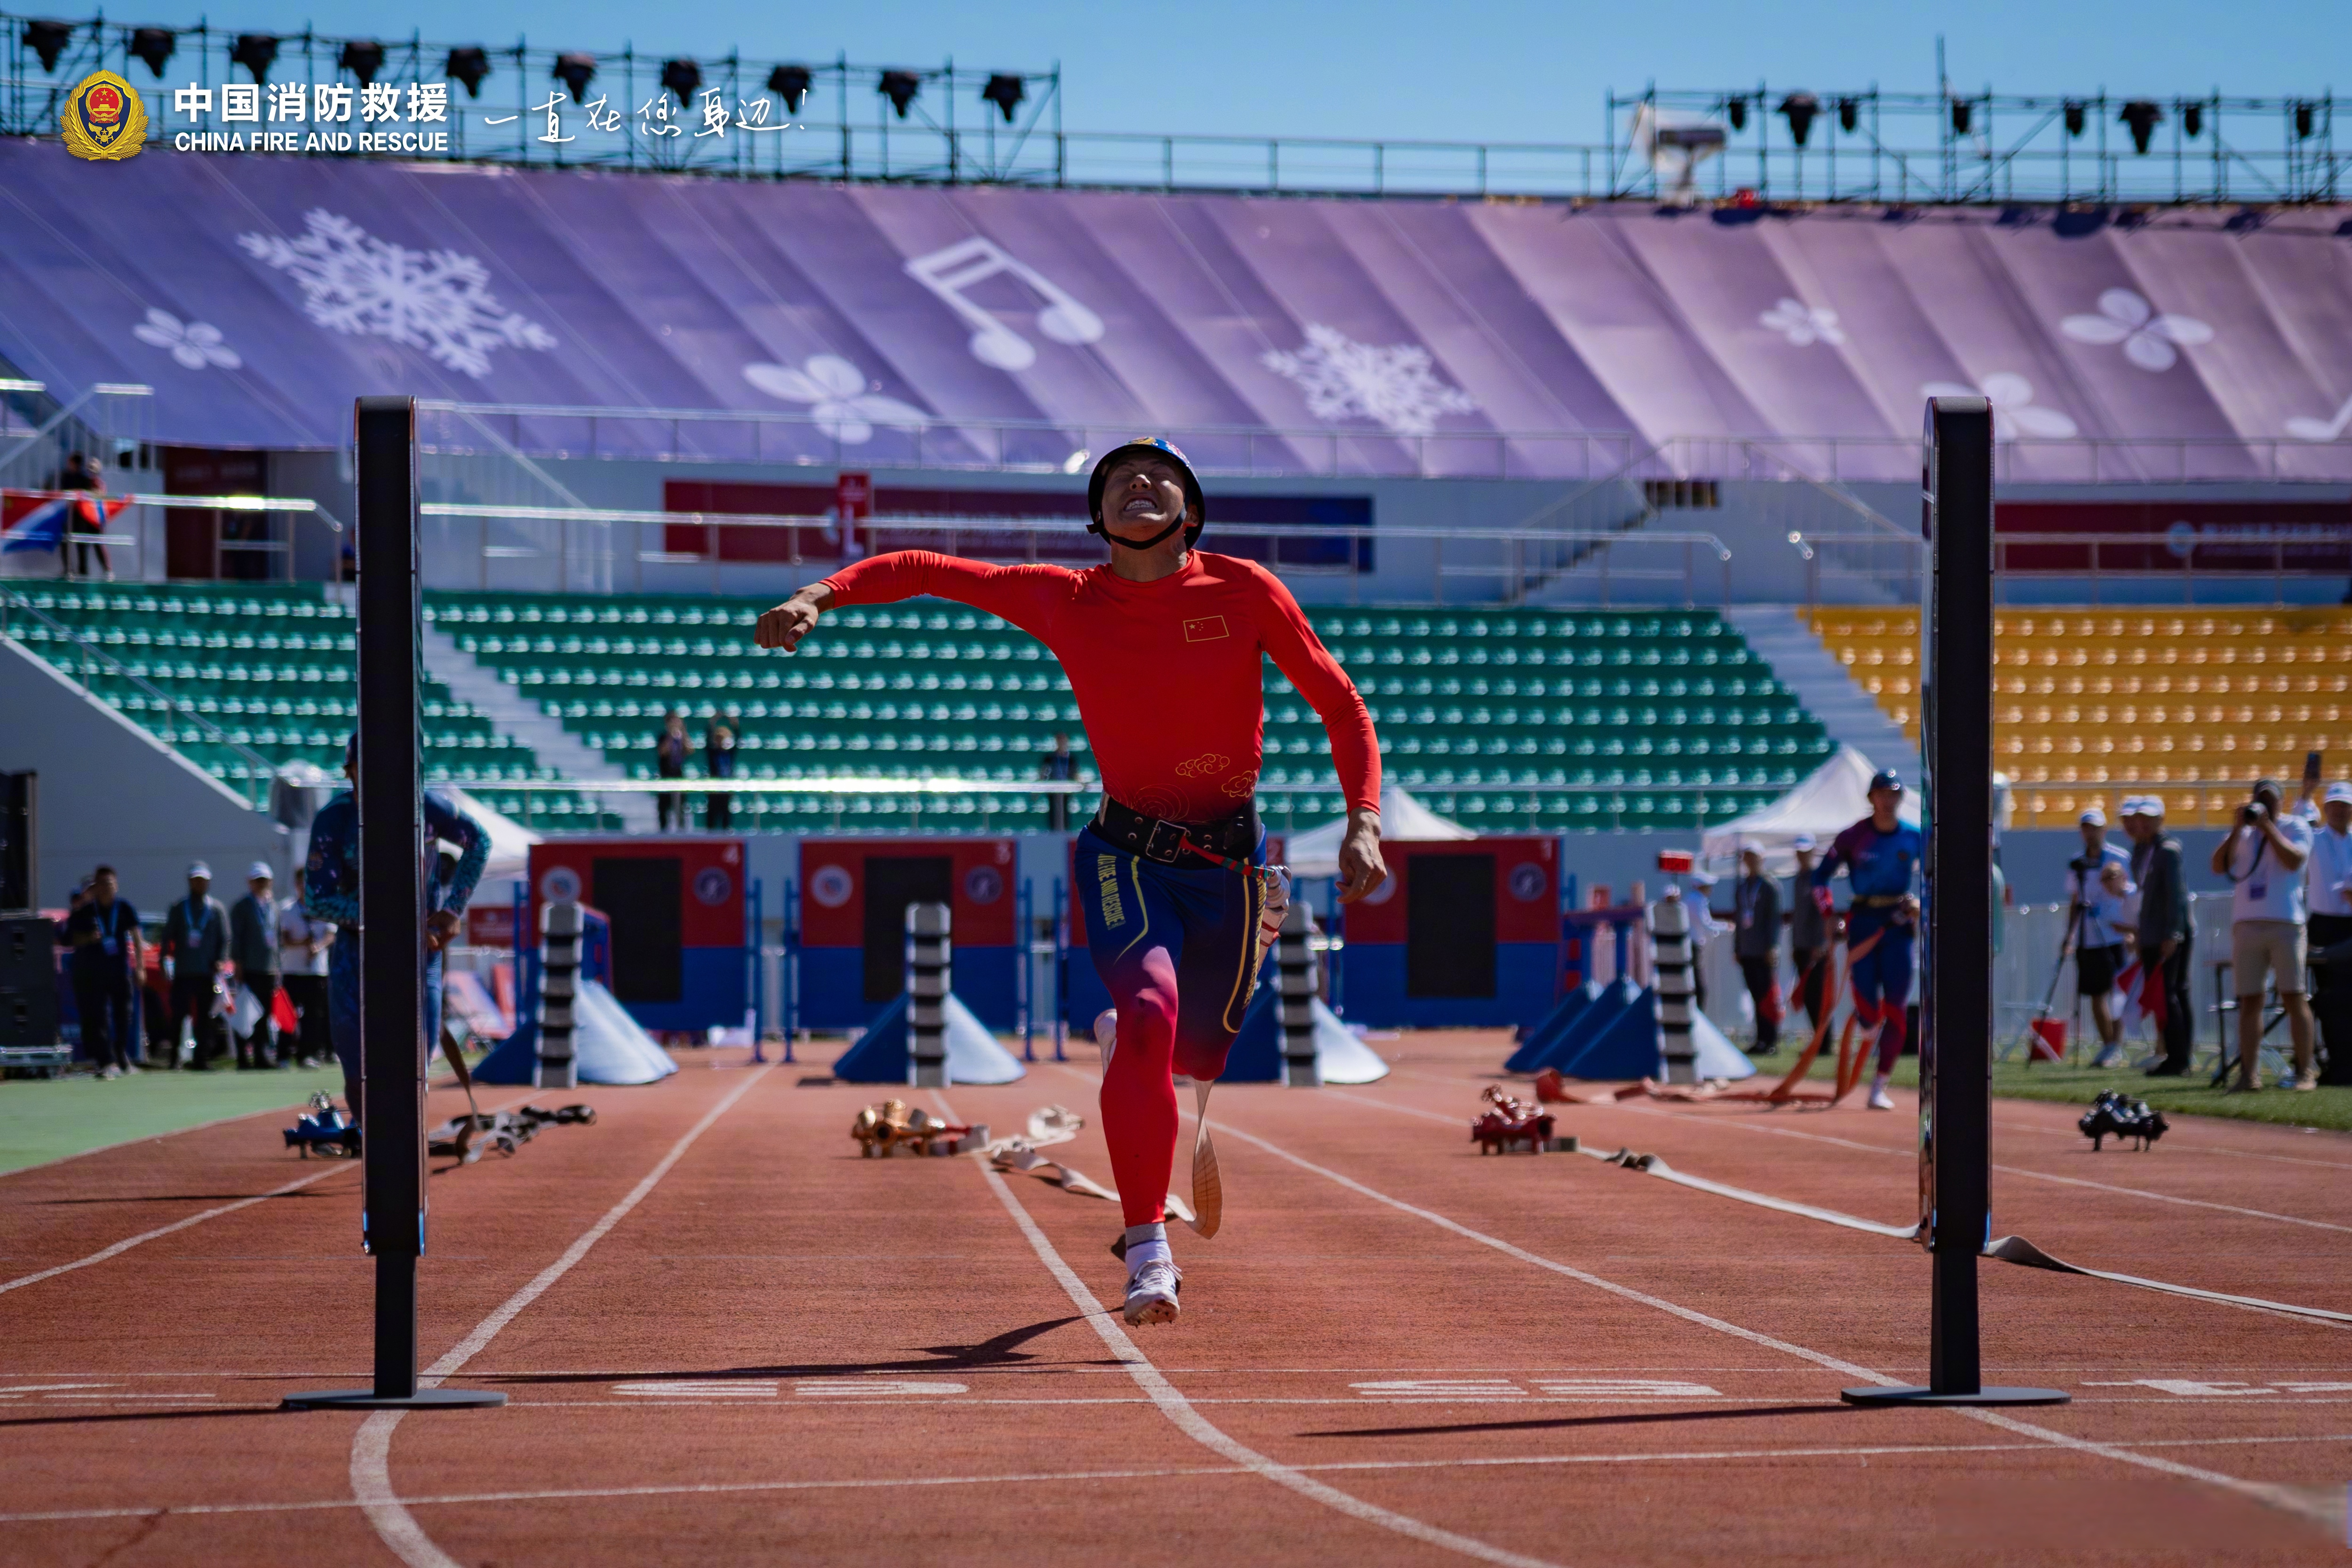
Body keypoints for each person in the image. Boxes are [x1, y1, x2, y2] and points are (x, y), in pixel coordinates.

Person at [755, 437, 1385, 1328]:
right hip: (1125, 855)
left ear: (1191, 512)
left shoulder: (1244, 588)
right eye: (1119, 478)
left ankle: (1130, 1039)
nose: (1140, 483)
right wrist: (818, 593)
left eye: (1160, 476)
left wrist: (1364, 818)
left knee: (1195, 1058)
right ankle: (1149, 1249)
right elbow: (927, 569)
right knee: (1152, 1016)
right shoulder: (1067, 597)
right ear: (1098, 516)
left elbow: (1341, 704)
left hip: (1233, 866)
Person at [305, 736, 490, 1123]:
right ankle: (367, 1134)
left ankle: (403, 1137)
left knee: (416, 1064)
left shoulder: (427, 806)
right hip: (356, 952)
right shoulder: (333, 820)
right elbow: (317, 899)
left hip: (420, 951)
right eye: (365, 768)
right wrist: (387, 921)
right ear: (350, 773)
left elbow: (479, 841)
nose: (377, 777)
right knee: (357, 1069)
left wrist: (453, 908)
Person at [1810, 771, 1923, 1111]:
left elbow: (1939, 875)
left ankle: (1879, 1085)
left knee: (1897, 1007)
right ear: (1871, 798)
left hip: (1898, 926)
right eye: (1882, 794)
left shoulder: (1915, 836)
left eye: (1894, 794)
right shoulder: (1853, 836)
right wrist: (1828, 914)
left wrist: (1921, 902)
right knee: (1868, 1010)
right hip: (1863, 924)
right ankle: (1868, 1031)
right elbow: (1819, 877)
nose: (1888, 801)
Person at [2209, 777, 2316, 1092]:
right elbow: (2218, 867)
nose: (2264, 804)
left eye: (2270, 799)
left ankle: (2305, 1072)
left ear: (2281, 801)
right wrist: (2236, 829)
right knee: (2250, 1000)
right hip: (2247, 923)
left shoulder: (2295, 826)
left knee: (2294, 996)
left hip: (2285, 922)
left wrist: (2269, 827)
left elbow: (2295, 860)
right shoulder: (2243, 833)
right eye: (2260, 798)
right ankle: (2249, 1075)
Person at [2122, 796, 2195, 1077]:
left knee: (2172, 994)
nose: (2142, 824)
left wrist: (2173, 933)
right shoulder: (2142, 850)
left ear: (2161, 820)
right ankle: (2174, 1056)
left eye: (2149, 819)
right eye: (2139, 818)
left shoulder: (2168, 850)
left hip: (2168, 934)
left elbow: (2177, 894)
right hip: (2152, 934)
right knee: (2166, 996)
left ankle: (2179, 1059)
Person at [2065, 808, 2135, 1069]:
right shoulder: (2077, 863)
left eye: (2095, 828)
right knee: (2096, 995)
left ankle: (2116, 1045)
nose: (2090, 833)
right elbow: (2074, 899)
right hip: (2088, 936)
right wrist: (2069, 935)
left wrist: (2131, 929)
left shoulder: (2119, 857)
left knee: (2118, 993)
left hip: (2115, 933)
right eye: (2086, 828)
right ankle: (2108, 1045)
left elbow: (2130, 892)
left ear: (2104, 830)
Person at [64, 866, 141, 1077]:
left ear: (116, 886)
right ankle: (106, 1061)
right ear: (96, 887)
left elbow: (136, 936)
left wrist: (140, 967)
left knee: (124, 1014)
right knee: (99, 1017)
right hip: (95, 974)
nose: (106, 888)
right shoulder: (86, 912)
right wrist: (89, 938)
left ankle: (121, 1054)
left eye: (110, 884)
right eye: (102, 884)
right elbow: (70, 939)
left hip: (120, 971)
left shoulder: (124, 908)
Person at [157, 861, 230, 1070]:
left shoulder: (216, 909)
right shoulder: (179, 907)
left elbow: (225, 939)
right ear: (190, 882)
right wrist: (163, 960)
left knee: (205, 1017)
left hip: (207, 972)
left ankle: (201, 1059)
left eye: (203, 881)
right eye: (196, 880)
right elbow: (167, 937)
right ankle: (174, 1058)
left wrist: (221, 960)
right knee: (178, 1016)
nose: (199, 884)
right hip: (184, 971)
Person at [2304, 780, 2352, 1085]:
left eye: (2344, 805)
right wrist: (2306, 793)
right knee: (2330, 998)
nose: (2339, 810)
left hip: (2348, 925)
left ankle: (2343, 1064)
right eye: (2334, 805)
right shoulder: (2314, 838)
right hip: (2324, 924)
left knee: (2344, 999)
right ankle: (2336, 1062)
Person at [277, 866, 334, 1069]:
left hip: (316, 971)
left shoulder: (324, 907)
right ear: (297, 885)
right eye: (302, 883)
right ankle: (283, 1055)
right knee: (287, 1014)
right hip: (293, 970)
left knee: (313, 1015)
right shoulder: (287, 909)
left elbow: (331, 934)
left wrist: (318, 946)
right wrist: (302, 943)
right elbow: (284, 939)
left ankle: (308, 1054)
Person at [227, 861, 282, 1070]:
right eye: (258, 880)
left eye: (265, 880)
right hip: (249, 968)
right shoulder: (242, 907)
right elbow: (237, 938)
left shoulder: (273, 906)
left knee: (264, 1014)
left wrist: (278, 967)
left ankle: (261, 1055)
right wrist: (238, 964)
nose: (262, 884)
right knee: (245, 1012)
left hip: (268, 968)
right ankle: (243, 1057)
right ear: (250, 882)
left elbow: (277, 939)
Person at [1730, 844, 1783, 1054]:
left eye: (1754, 858)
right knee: (1755, 996)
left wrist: (1772, 946)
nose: (1750, 862)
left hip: (1763, 950)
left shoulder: (1769, 887)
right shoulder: (1742, 887)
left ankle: (1770, 1040)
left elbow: (1774, 920)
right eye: (1747, 858)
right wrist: (1737, 947)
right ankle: (1760, 1038)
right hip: (1747, 950)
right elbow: (1738, 919)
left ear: (1761, 859)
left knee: (1766, 996)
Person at [1787, 832, 1830, 1037]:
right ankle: (1818, 1036)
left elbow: (1824, 912)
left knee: (1818, 994)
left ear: (1813, 853)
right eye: (1799, 852)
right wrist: (1795, 944)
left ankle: (1824, 1039)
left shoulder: (1818, 879)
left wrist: (1821, 943)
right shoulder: (1798, 880)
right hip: (1801, 945)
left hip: (1815, 947)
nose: (1802, 856)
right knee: (1808, 995)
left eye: (1806, 852)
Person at [57, 451, 110, 580]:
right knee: (66, 541)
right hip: (72, 516)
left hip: (87, 518)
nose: (92, 474)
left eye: (94, 471)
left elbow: (96, 497)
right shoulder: (68, 477)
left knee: (87, 544)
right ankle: (69, 570)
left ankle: (94, 571)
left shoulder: (91, 482)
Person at [654, 710, 690, 831]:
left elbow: (690, 750)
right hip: (665, 775)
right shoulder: (663, 737)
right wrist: (670, 735)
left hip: (678, 774)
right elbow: (662, 752)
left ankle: (681, 828)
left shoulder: (681, 738)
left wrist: (683, 732)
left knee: (681, 805)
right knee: (664, 805)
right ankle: (664, 829)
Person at [704, 712, 737, 830]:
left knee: (726, 815)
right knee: (712, 815)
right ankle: (710, 837)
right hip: (714, 788)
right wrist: (713, 721)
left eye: (722, 739)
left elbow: (738, 739)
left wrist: (734, 723)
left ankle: (726, 834)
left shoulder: (729, 753)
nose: (720, 741)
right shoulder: (712, 753)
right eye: (718, 738)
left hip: (726, 787)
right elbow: (707, 738)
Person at [1041, 732, 1076, 832]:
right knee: (1053, 812)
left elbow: (1076, 774)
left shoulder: (1071, 759)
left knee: (1066, 812)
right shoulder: (1049, 758)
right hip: (1053, 791)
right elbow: (1043, 773)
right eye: (1059, 740)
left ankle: (1066, 832)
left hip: (1066, 791)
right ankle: (1053, 833)